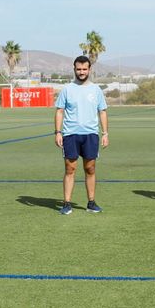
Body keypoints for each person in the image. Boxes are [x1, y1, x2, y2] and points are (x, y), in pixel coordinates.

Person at [55, 55, 108, 214]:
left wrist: (105, 133)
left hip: (91, 134)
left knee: (90, 168)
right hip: (70, 134)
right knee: (70, 168)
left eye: (84, 69)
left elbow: (102, 112)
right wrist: (58, 132)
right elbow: (59, 111)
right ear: (74, 69)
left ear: (89, 69)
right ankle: (67, 203)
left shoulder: (96, 90)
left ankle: (91, 202)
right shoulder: (67, 89)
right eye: (79, 69)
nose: (82, 72)